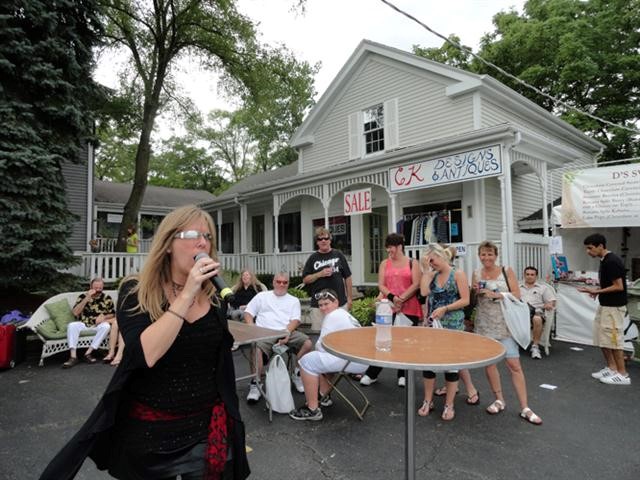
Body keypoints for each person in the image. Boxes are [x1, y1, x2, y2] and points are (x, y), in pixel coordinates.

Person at [40, 205, 250, 479]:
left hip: (206, 430)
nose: (203, 243)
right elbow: (144, 354)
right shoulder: (135, 292)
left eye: (208, 236)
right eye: (192, 234)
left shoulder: (214, 297)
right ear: (167, 245)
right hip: (150, 434)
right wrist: (187, 294)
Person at [472, 241, 542, 425]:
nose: (486, 258)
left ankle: (525, 407)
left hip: (505, 325)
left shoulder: (506, 270)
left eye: (490, 254)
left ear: (496, 255)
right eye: (483, 254)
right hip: (484, 324)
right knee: (490, 365)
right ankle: (499, 399)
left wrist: (499, 295)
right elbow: (474, 297)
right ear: (479, 256)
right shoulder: (476, 274)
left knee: (514, 364)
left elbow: (517, 294)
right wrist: (476, 292)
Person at [289, 289, 368, 421]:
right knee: (320, 361)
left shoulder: (332, 316)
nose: (323, 308)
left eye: (326, 304)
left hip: (351, 359)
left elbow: (322, 346)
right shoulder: (343, 313)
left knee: (306, 361)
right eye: (320, 305)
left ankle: (312, 410)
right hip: (360, 359)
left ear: (336, 302)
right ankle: (323, 396)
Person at [418, 244, 476, 421]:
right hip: (435, 324)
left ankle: (449, 404)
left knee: (451, 366)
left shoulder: (457, 274)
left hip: (453, 324)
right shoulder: (433, 274)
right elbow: (424, 291)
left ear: (441, 256)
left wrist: (446, 308)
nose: (431, 263)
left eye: (432, 260)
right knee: (430, 364)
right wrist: (427, 271)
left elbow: (466, 300)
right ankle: (428, 401)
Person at [360, 233, 421, 388]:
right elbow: (381, 285)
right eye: (387, 248)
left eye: (391, 247)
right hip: (388, 307)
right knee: (383, 339)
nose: (389, 251)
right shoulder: (384, 263)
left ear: (400, 246)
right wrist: (394, 298)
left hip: (410, 307)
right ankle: (372, 373)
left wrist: (401, 298)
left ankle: (403, 374)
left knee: (405, 342)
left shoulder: (413, 263)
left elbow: (416, 284)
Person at [244, 272, 313, 403]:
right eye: (279, 281)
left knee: (308, 344)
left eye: (285, 282)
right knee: (256, 348)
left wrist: (286, 333)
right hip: (264, 332)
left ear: (288, 284)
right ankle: (256, 384)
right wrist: (251, 327)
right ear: (273, 282)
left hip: (286, 331)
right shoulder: (262, 296)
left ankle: (297, 373)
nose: (281, 284)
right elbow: (248, 312)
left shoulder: (293, 300)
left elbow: (295, 320)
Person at [578, 233, 630, 385]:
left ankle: (623, 374)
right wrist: (598, 291)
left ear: (600, 246)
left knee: (614, 340)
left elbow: (618, 286)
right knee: (602, 338)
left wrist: (596, 291)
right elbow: (610, 283)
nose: (588, 251)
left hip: (614, 308)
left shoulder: (612, 261)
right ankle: (612, 368)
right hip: (606, 305)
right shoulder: (604, 260)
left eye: (590, 248)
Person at [302, 227, 353, 331]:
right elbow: (305, 280)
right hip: (319, 306)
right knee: (318, 334)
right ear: (317, 242)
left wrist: (350, 298)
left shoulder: (338, 255)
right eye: (320, 239)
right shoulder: (313, 258)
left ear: (330, 240)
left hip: (339, 303)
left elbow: (347, 277)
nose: (323, 241)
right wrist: (319, 274)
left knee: (341, 333)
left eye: (326, 238)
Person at [61, 278, 114, 369]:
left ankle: (88, 353)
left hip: (97, 325)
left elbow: (113, 314)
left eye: (100, 288)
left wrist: (104, 317)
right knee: (72, 325)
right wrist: (87, 298)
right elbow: (75, 313)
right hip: (83, 324)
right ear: (90, 287)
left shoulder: (107, 298)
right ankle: (73, 356)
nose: (98, 290)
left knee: (106, 326)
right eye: (96, 287)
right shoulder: (82, 297)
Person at [519, 266, 556, 359]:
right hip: (520, 312)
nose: (529, 276)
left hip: (536, 311)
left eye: (532, 274)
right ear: (524, 275)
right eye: (527, 274)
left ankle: (535, 347)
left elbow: (552, 302)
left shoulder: (543, 288)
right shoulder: (518, 287)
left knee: (537, 318)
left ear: (536, 276)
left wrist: (546, 305)